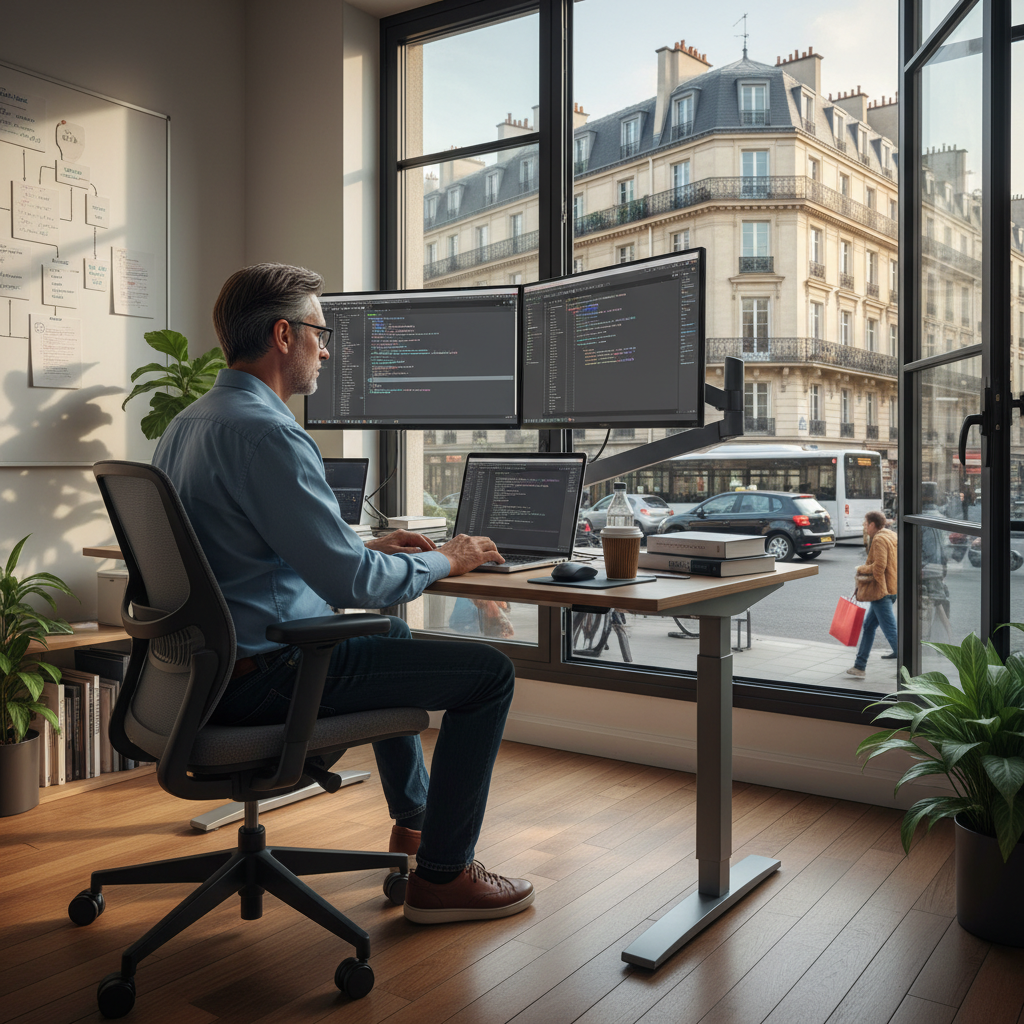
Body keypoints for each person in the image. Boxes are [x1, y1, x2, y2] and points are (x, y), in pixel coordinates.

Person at [153, 263, 534, 925]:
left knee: (389, 633)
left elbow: (245, 552)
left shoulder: (187, 425)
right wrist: (446, 559)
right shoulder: (270, 433)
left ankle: (416, 825)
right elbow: (350, 584)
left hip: (200, 675)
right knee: (489, 675)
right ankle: (444, 877)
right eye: (320, 334)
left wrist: (369, 546)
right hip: (267, 677)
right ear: (283, 335)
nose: (326, 351)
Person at [846, 510, 898, 677]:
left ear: (873, 524)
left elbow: (879, 566)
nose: (864, 526)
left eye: (865, 523)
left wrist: (861, 569)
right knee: (869, 626)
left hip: (881, 592)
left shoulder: (879, 539)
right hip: (891, 588)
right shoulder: (891, 535)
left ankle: (909, 666)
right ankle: (859, 666)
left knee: (890, 630)